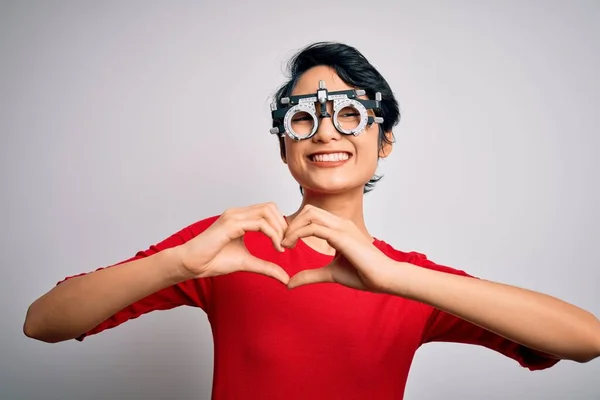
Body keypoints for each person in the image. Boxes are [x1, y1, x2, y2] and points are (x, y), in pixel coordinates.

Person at [23, 42, 600, 399]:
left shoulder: (407, 278)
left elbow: (587, 339)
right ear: (284, 147)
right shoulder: (228, 248)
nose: (326, 132)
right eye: (305, 120)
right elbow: (42, 323)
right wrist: (176, 262)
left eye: (351, 114)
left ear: (386, 141)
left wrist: (395, 278)